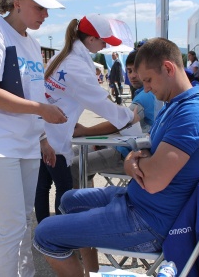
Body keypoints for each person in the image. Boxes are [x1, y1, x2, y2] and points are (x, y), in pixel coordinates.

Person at [33, 37, 199, 277]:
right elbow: (147, 150)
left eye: (148, 80)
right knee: (69, 199)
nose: (145, 88)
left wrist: (131, 161)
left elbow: (153, 180)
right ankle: (92, 271)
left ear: (168, 68)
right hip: (138, 201)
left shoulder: (191, 113)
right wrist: (138, 159)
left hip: (150, 222)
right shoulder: (175, 104)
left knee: (45, 234)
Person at [0, 0, 67, 276]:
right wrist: (41, 111)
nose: (45, 15)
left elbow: (33, 93)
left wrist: (43, 137)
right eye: (40, 7)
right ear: (17, 3)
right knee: (10, 228)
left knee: (22, 223)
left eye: (48, 9)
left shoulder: (33, 44)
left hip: (25, 143)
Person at [34, 14, 138, 224]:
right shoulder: (76, 65)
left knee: (42, 186)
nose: (104, 45)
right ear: (90, 39)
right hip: (55, 136)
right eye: (103, 41)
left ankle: (44, 233)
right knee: (65, 190)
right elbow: (99, 101)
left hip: (42, 133)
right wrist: (128, 117)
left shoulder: (61, 57)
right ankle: (59, 239)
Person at [70, 49, 163, 188]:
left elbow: (121, 122)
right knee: (76, 156)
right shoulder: (146, 93)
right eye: (129, 71)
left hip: (127, 154)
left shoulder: (145, 95)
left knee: (75, 165)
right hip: (128, 148)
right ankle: (89, 201)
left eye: (136, 71)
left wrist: (86, 131)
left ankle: (82, 204)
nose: (132, 75)